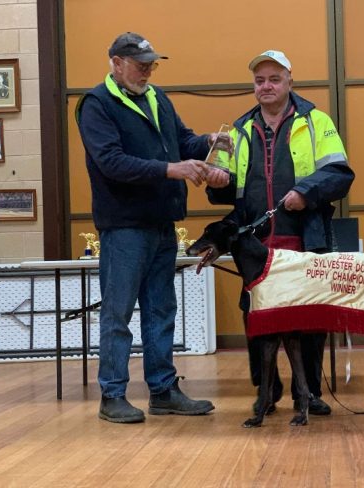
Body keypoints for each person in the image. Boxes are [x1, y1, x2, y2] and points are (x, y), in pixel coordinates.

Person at [76, 32, 231, 423]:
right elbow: (111, 162)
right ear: (116, 63)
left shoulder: (157, 98)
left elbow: (182, 141)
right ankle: (112, 395)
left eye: (151, 64)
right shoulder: (96, 104)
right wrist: (170, 170)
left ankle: (163, 391)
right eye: (140, 64)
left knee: (161, 310)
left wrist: (208, 142)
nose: (147, 71)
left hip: (162, 223)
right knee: (118, 314)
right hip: (124, 227)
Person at [206, 49, 355, 416]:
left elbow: (340, 174)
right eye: (260, 80)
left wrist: (306, 192)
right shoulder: (238, 130)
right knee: (257, 317)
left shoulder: (317, 121)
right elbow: (223, 190)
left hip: (304, 237)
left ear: (290, 81)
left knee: (309, 318)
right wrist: (218, 180)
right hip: (257, 244)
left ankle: (311, 393)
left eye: (274, 79)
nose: (266, 86)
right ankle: (267, 392)